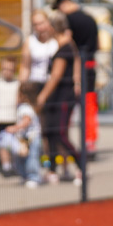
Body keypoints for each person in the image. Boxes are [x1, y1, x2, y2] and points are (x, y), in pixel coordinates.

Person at [35, 10, 81, 185]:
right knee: (51, 133)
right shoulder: (67, 44)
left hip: (62, 97)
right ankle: (53, 169)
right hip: (59, 97)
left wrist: (42, 96)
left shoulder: (64, 48)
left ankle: (80, 165)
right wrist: (77, 80)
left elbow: (56, 76)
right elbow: (77, 60)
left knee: (60, 133)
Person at [53, 0, 99, 153]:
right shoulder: (90, 19)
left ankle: (64, 142)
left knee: (67, 106)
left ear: (63, 4)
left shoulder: (68, 21)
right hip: (91, 65)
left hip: (75, 69)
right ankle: (90, 142)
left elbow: (68, 43)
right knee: (89, 105)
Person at [0, 80, 43, 188]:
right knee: (20, 158)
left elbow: (27, 120)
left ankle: (34, 177)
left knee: (32, 158)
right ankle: (25, 176)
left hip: (32, 138)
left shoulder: (26, 108)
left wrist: (15, 128)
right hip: (23, 139)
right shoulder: (23, 107)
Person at [0, 56, 20, 177]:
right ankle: (6, 166)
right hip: (2, 118)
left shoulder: (17, 84)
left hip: (14, 118)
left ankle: (15, 165)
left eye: (9, 69)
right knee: (3, 144)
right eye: (4, 69)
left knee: (14, 144)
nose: (6, 71)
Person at [19, 8, 58, 85]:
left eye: (41, 23)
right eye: (35, 24)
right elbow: (25, 67)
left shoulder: (57, 40)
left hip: (53, 84)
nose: (39, 27)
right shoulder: (30, 41)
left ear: (48, 22)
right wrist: (21, 87)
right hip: (35, 83)